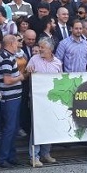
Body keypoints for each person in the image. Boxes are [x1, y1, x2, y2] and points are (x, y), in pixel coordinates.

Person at [25, 37, 63, 166]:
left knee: (50, 127)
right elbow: (27, 71)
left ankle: (45, 153)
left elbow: (61, 80)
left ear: (50, 49)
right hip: (37, 100)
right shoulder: (34, 59)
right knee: (36, 127)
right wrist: (28, 70)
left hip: (51, 100)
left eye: (42, 47)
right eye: (39, 47)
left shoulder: (58, 62)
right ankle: (34, 156)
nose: (40, 49)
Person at [0, 34, 25, 168]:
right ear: (11, 43)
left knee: (12, 128)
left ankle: (11, 156)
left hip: (14, 97)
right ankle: (3, 158)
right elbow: (7, 80)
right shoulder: (6, 58)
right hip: (10, 98)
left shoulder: (9, 57)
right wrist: (21, 77)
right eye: (17, 41)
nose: (19, 44)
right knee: (9, 128)